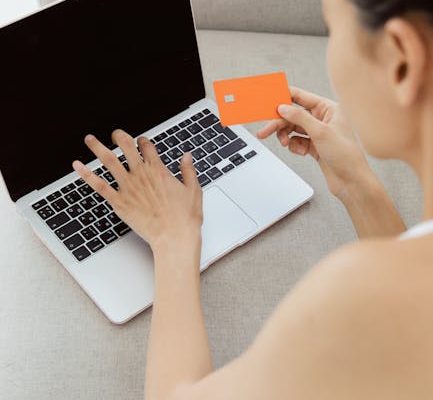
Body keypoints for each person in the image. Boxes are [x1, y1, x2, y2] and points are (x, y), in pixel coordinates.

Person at [72, 0, 433, 398]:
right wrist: (358, 185)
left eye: (334, 29)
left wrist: (172, 237)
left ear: (401, 60)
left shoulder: (341, 297)